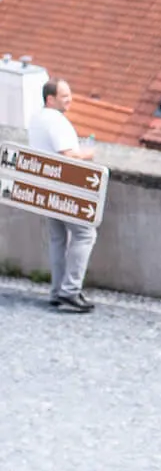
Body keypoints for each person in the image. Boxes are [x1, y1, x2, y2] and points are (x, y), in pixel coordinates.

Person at [27, 77, 98, 313]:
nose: (70, 100)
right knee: (85, 233)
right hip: (64, 187)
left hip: (46, 187)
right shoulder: (56, 121)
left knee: (58, 238)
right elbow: (67, 155)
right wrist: (87, 154)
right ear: (51, 99)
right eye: (65, 96)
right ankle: (70, 291)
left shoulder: (36, 118)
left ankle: (57, 291)